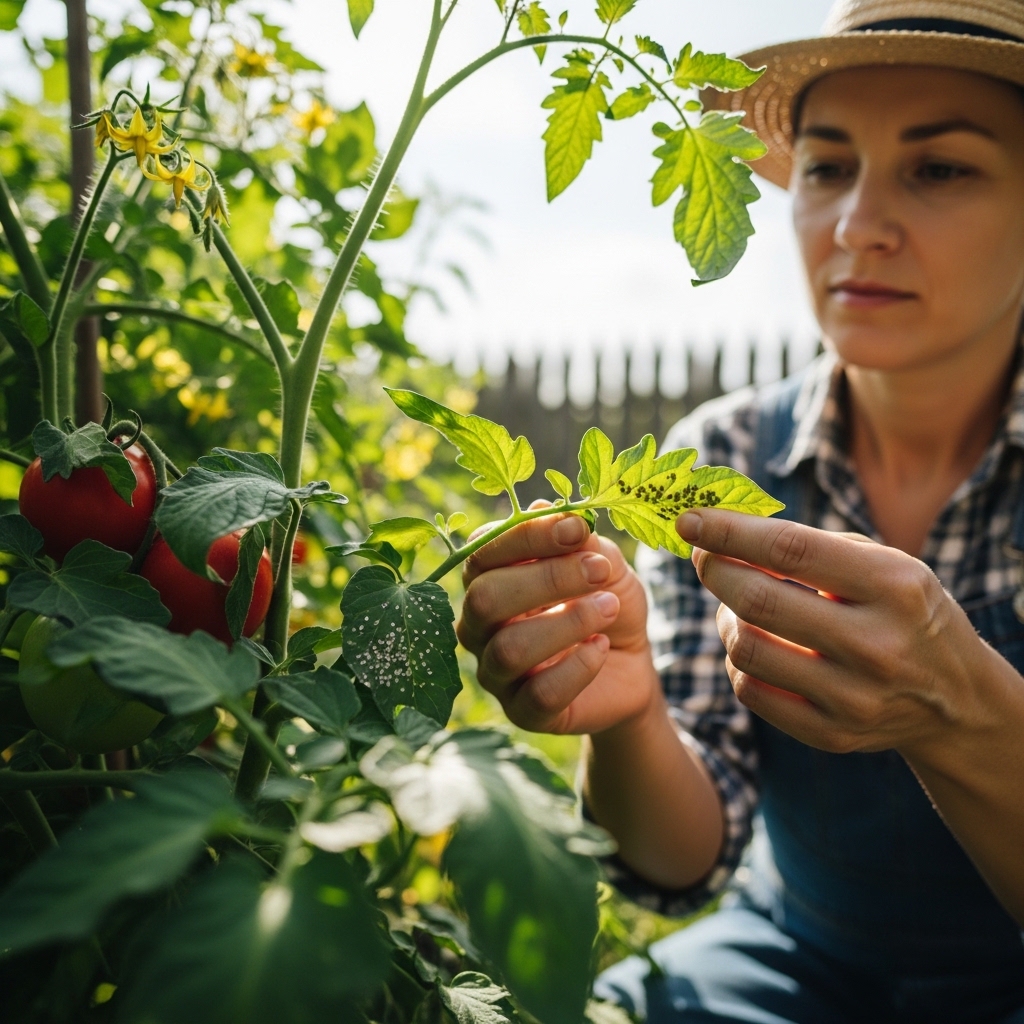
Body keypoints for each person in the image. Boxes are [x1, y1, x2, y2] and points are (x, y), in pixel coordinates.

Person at [454, 1, 1024, 1020]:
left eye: (939, 169)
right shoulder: (721, 456)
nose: (856, 226)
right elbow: (681, 861)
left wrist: (962, 706)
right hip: (790, 963)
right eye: (828, 166)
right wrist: (629, 713)